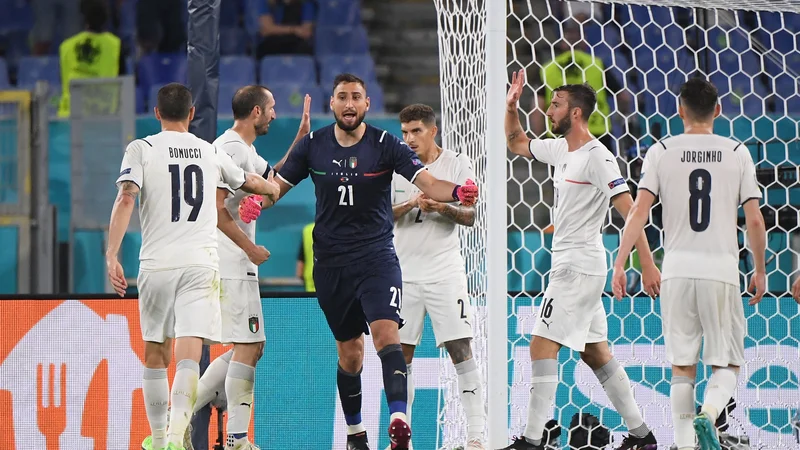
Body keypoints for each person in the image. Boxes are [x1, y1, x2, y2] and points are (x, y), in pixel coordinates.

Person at [253, 73, 478, 450]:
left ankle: (398, 422)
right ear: (333, 104)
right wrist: (257, 200)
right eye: (342, 97)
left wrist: (458, 191)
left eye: (356, 96)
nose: (350, 103)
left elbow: (427, 182)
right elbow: (276, 186)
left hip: (377, 258)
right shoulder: (313, 146)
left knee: (387, 334)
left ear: (367, 104)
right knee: (350, 354)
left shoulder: (387, 144)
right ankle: (356, 434)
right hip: (331, 264)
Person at [105, 83, 281, 450]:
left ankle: (158, 438)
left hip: (155, 265)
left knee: (156, 354)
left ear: (156, 113)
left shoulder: (141, 148)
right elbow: (246, 180)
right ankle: (173, 438)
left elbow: (126, 197)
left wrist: (111, 254)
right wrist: (270, 189)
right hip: (201, 265)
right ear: (191, 114)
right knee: (188, 355)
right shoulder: (209, 151)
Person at [501, 69, 660, 450]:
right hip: (574, 264)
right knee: (596, 353)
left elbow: (631, 210)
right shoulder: (563, 150)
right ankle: (643, 436)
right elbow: (516, 142)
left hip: (578, 266)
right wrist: (511, 107)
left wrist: (646, 262)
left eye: (555, 104)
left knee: (541, 345)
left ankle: (533, 440)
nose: (548, 109)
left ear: (575, 113)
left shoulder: (598, 157)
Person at [611, 78, 768, 450]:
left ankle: (683, 445)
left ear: (679, 110)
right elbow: (756, 221)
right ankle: (709, 414)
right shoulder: (737, 151)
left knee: (682, 368)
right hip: (722, 271)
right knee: (726, 364)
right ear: (717, 110)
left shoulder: (662, 150)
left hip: (677, 272)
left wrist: (620, 263)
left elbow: (638, 212)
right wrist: (760, 271)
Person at [174, 85, 309, 450]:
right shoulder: (229, 148)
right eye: (272, 108)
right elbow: (217, 209)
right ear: (255, 112)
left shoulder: (243, 149)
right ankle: (236, 438)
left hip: (232, 262)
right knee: (250, 346)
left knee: (252, 346)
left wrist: (300, 142)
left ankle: (181, 421)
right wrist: (250, 248)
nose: (275, 115)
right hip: (231, 261)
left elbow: (271, 183)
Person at [390, 104, 485, 449]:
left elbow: (470, 217)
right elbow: (382, 215)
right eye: (404, 132)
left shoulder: (457, 164)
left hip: (445, 272)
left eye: (416, 131)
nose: (409, 139)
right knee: (400, 357)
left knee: (461, 348)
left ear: (433, 131)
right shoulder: (396, 165)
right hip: (402, 275)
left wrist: (441, 205)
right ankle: (404, 440)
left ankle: (476, 435)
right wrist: (412, 204)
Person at [58, 0, 123, 117]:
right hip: (104, 118)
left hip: (69, 118)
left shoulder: (66, 46)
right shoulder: (117, 45)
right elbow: (124, 85)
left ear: (82, 17)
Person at [296, 222, 316, 292]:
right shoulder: (334, 229)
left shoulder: (307, 230)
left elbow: (301, 258)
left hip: (310, 282)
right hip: (331, 279)